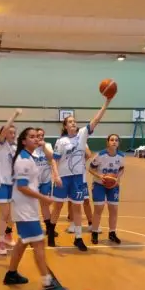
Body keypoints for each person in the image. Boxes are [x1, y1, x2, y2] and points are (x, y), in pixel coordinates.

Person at [3, 127, 67, 290]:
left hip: (26, 208)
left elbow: (50, 158)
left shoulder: (29, 157)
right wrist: (43, 198)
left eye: (36, 137)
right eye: (31, 137)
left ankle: (11, 274)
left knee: (22, 242)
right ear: (23, 141)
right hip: (25, 210)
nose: (35, 139)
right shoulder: (24, 160)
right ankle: (48, 283)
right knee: (38, 242)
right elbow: (22, 186)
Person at [47, 98, 111, 251]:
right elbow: (54, 160)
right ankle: (50, 235)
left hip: (78, 178)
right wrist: (55, 176)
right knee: (57, 207)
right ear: (65, 125)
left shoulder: (83, 134)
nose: (73, 123)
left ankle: (78, 238)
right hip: (62, 177)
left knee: (77, 208)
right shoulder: (60, 141)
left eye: (74, 121)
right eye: (70, 121)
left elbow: (96, 119)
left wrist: (106, 103)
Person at [89, 134, 125, 245]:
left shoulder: (121, 156)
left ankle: (112, 233)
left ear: (118, 143)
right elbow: (90, 169)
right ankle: (94, 233)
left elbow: (121, 169)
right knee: (99, 209)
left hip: (113, 186)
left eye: (116, 140)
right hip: (99, 184)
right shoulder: (100, 155)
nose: (114, 142)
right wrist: (100, 177)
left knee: (114, 209)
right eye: (112, 140)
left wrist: (117, 178)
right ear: (107, 142)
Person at [0, 109, 21, 255]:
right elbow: (3, 130)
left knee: (12, 216)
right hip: (2, 184)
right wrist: (15, 116)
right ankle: (0, 242)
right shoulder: (1, 144)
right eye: (10, 132)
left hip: (13, 184)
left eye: (14, 132)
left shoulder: (16, 147)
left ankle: (8, 235)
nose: (13, 134)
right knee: (4, 215)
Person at [33, 128, 60, 236]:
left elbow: (51, 159)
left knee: (45, 204)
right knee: (32, 205)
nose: (40, 137)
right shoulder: (30, 147)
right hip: (33, 182)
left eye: (42, 135)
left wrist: (44, 147)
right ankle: (32, 228)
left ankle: (49, 228)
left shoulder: (47, 145)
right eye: (38, 135)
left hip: (45, 180)